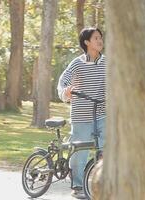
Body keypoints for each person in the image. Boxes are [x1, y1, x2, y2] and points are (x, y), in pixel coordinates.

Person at [57, 27, 106, 199]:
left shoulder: (107, 62)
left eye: (101, 37)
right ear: (86, 42)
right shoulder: (77, 63)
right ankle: (77, 184)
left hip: (102, 113)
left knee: (105, 146)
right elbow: (63, 82)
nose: (100, 41)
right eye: (96, 38)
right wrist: (66, 92)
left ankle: (102, 181)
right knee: (80, 152)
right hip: (81, 116)